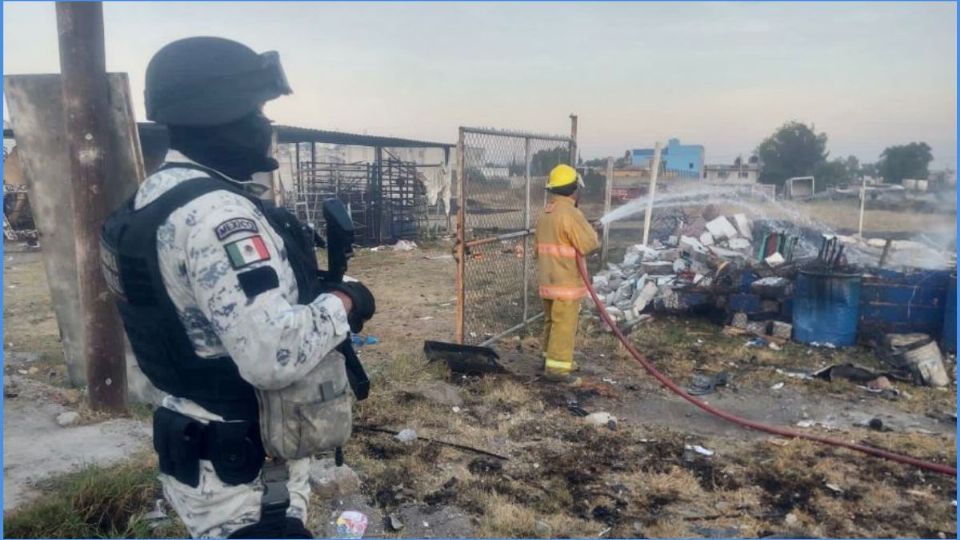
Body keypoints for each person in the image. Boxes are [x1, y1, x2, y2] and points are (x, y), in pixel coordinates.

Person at [99, 37, 374, 539]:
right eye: (256, 109)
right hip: (246, 480)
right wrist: (345, 301)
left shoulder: (149, 201)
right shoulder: (220, 217)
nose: (263, 125)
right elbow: (272, 355)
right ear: (216, 113)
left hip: (197, 453)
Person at [534, 164, 599, 385]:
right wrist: (590, 230)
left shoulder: (546, 212)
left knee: (551, 321)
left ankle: (548, 358)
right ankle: (558, 370)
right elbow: (589, 244)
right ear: (573, 188)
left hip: (547, 280)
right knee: (564, 325)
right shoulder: (571, 213)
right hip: (565, 282)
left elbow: (539, 248)